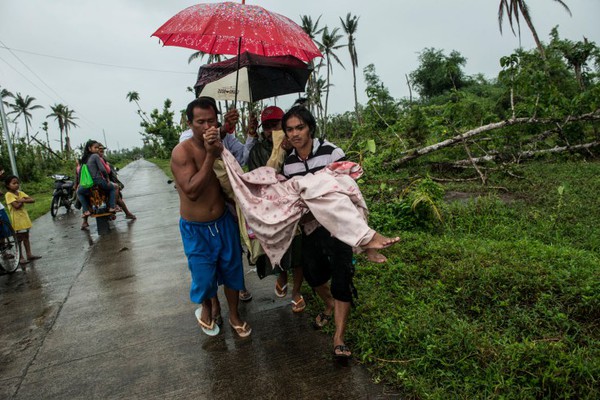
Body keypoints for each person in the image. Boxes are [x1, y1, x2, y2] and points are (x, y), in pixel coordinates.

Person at [281, 106, 398, 360]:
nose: (295, 133)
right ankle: (330, 305)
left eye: (299, 127)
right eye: (289, 129)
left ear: (310, 127)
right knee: (313, 275)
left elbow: (345, 186)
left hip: (338, 230)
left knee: (342, 278)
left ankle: (338, 338)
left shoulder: (331, 151)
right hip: (311, 229)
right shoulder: (288, 164)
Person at [171, 96, 251, 338]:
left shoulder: (222, 146)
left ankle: (234, 315)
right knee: (204, 277)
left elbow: (233, 179)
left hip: (223, 223)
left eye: (212, 122)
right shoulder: (182, 152)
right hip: (196, 228)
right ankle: (207, 305)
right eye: (200, 122)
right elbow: (192, 191)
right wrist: (210, 155)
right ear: (189, 124)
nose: (207, 127)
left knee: (232, 272)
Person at [247, 106, 306, 312]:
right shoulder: (257, 150)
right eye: (268, 126)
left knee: (298, 250)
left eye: (277, 125)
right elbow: (257, 179)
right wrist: (277, 153)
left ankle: (296, 292)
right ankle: (281, 275)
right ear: (263, 129)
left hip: (296, 205)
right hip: (272, 207)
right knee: (277, 246)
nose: (273, 130)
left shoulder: (298, 145)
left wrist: (289, 149)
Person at [4, 175, 41, 266]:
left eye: (17, 183)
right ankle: (20, 257)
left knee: (26, 237)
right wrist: (23, 200)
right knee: (19, 239)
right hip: (17, 221)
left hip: (25, 219)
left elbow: (32, 200)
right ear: (8, 185)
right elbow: (16, 206)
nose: (16, 185)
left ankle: (29, 254)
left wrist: (21, 200)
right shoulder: (8, 195)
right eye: (14, 183)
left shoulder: (20, 193)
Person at [97, 143, 136, 220]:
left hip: (96, 183)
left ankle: (85, 221)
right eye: (100, 151)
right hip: (103, 182)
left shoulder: (92, 159)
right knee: (117, 193)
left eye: (102, 151)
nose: (102, 153)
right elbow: (107, 171)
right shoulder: (99, 159)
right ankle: (115, 208)